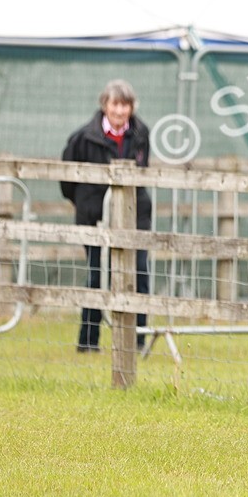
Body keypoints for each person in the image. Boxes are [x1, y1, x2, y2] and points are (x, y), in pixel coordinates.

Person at [60, 80, 152, 353]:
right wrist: (86, 203)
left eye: (125, 105)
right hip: (95, 216)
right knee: (96, 276)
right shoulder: (82, 138)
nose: (120, 111)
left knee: (138, 274)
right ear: (105, 105)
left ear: (132, 107)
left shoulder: (141, 133)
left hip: (134, 216)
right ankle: (88, 342)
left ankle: (136, 341)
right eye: (115, 104)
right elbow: (67, 179)